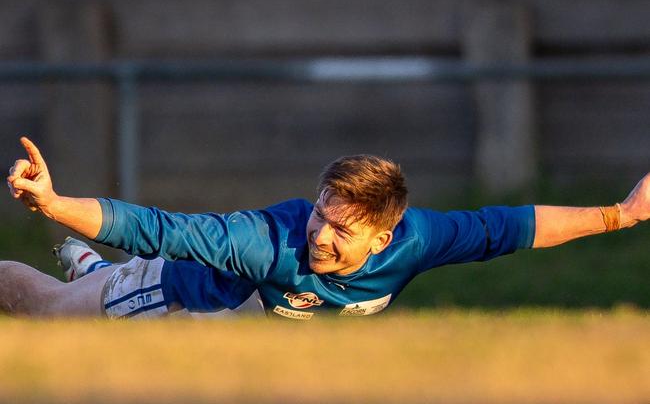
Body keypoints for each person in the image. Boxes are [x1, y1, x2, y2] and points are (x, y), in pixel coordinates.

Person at [1, 136, 649, 320]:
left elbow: (512, 225)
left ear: (383, 239)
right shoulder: (267, 242)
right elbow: (161, 228)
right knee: (41, 306)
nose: (319, 235)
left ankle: (91, 266)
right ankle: (96, 274)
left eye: (340, 230)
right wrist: (55, 204)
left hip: (261, 342)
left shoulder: (418, 241)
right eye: (319, 216)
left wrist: (622, 214)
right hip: (183, 299)